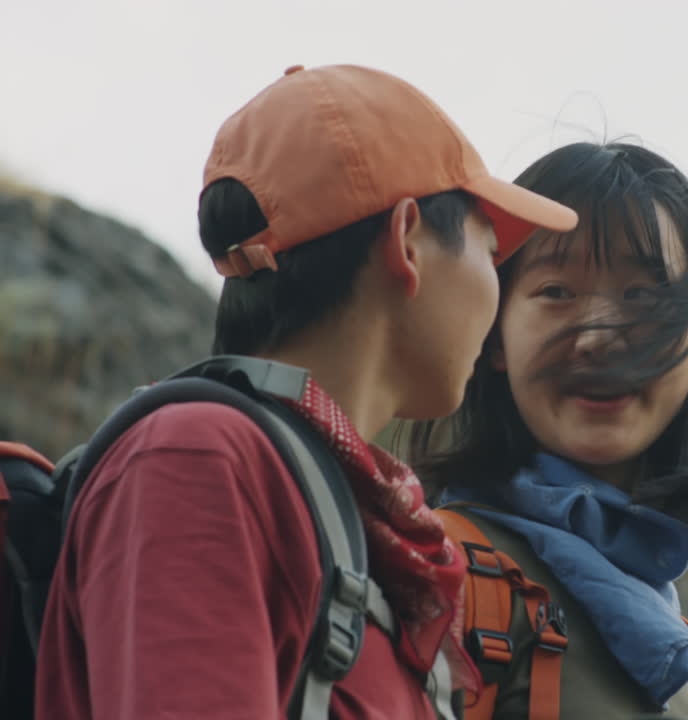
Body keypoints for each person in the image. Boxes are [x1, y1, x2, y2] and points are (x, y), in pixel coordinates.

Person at [34, 63, 577, 720]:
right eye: (490, 254)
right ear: (408, 239)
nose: (496, 296)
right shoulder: (198, 459)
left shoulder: (355, 524)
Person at [410, 141, 688, 719]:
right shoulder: (428, 575)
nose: (598, 336)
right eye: (556, 292)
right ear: (495, 333)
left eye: (642, 295)